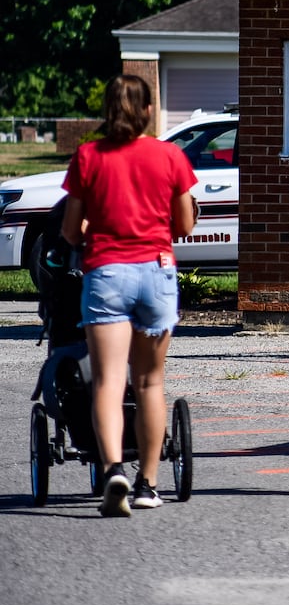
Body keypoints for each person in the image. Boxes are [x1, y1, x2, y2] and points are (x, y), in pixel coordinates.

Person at [60, 74, 199, 517]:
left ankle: (113, 469)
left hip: (106, 273)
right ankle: (148, 484)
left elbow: (69, 231)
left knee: (107, 380)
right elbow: (184, 226)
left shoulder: (87, 157)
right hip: (156, 271)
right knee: (150, 383)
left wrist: (94, 229)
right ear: (147, 111)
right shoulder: (170, 156)